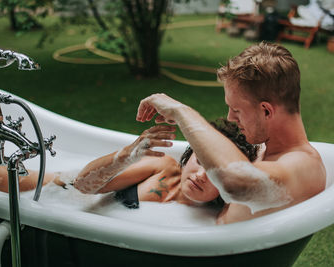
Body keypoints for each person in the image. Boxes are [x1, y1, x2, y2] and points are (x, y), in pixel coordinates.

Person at [135, 41, 326, 224]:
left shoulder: (304, 166)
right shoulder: (262, 150)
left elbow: (237, 181)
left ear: (266, 111)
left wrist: (181, 112)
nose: (230, 119)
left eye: (236, 110)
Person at [0, 119, 258, 217]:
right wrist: (129, 154)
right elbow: (83, 186)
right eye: (202, 162)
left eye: (219, 173)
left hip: (79, 220)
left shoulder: (222, 214)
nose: (202, 174)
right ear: (188, 156)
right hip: (59, 191)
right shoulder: (164, 167)